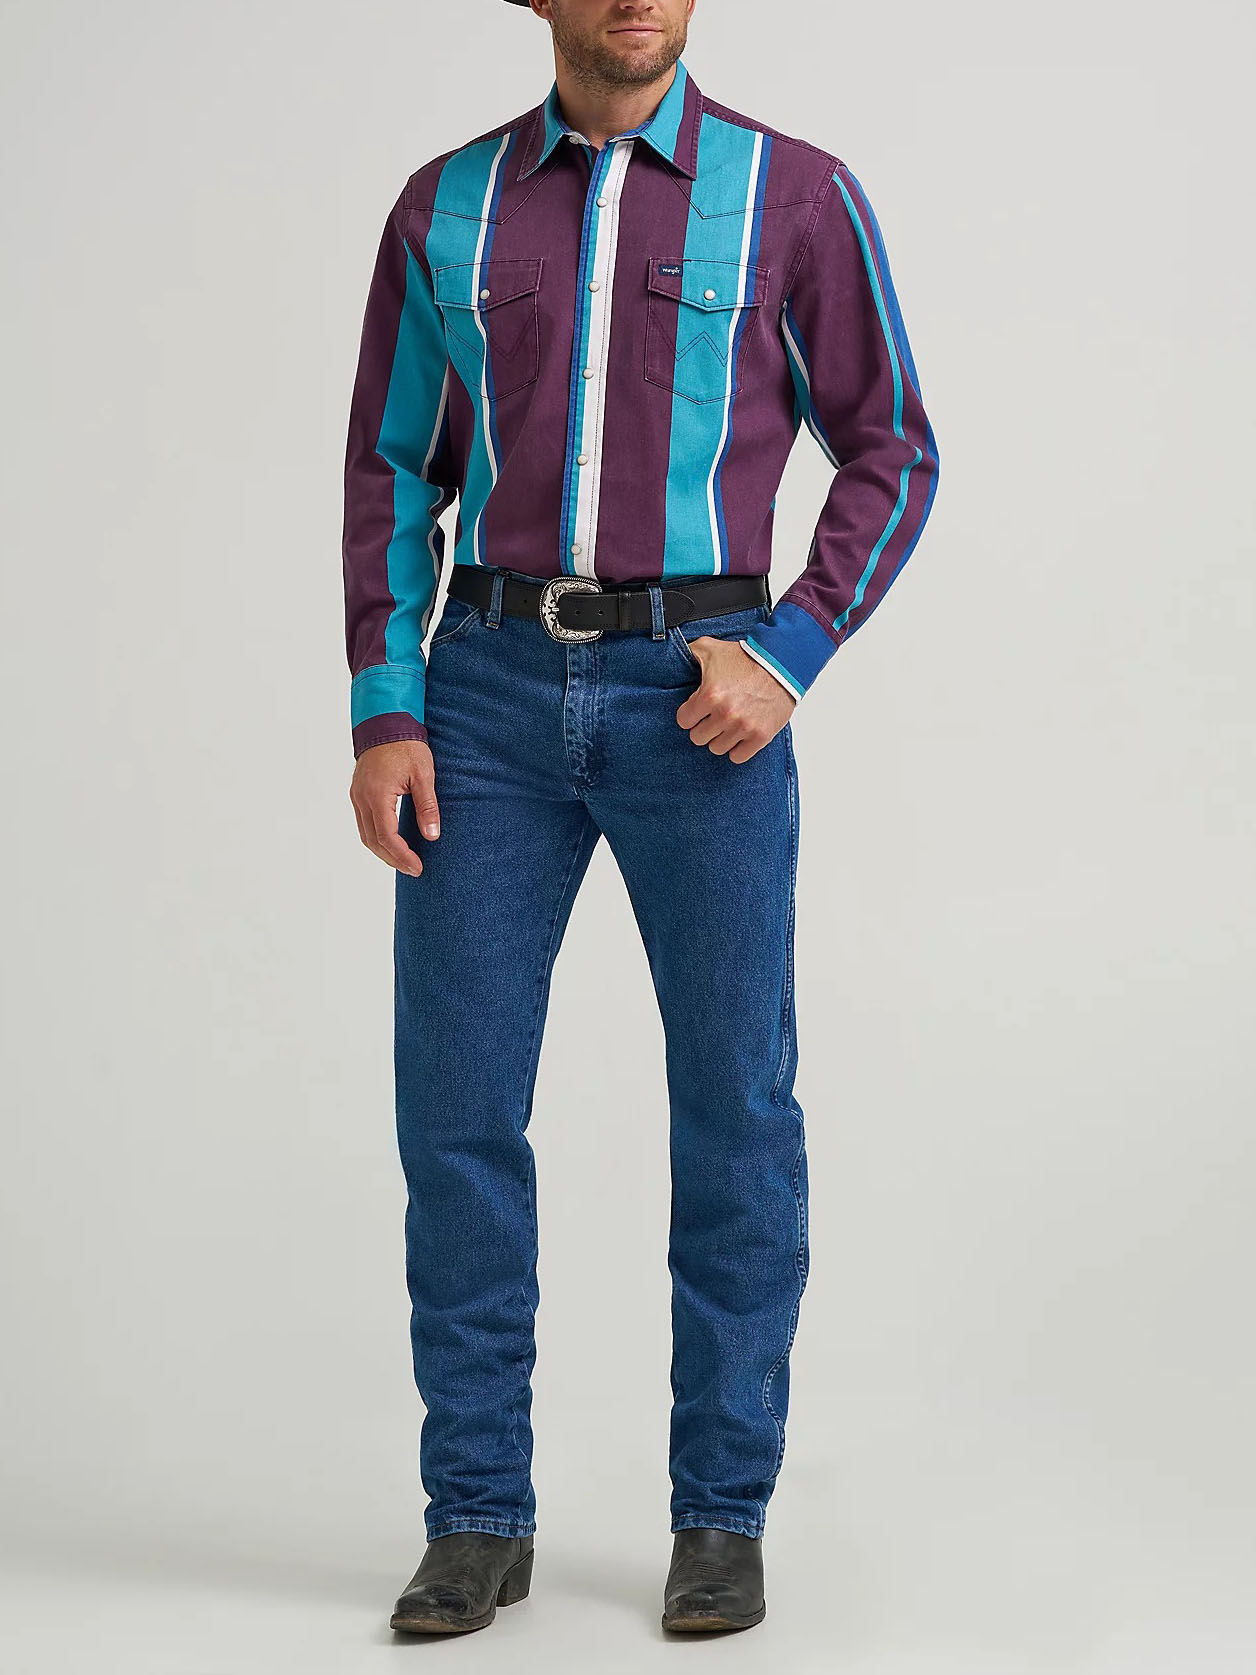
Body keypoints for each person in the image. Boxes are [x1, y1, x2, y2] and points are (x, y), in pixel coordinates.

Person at [340, 0, 938, 1637]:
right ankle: (476, 1513)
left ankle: (720, 1516)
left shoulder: (794, 194)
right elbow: (395, 471)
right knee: (457, 1112)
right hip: (482, 698)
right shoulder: (446, 207)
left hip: (703, 696)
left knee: (736, 1109)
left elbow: (892, 449)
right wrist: (387, 706)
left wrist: (790, 654)